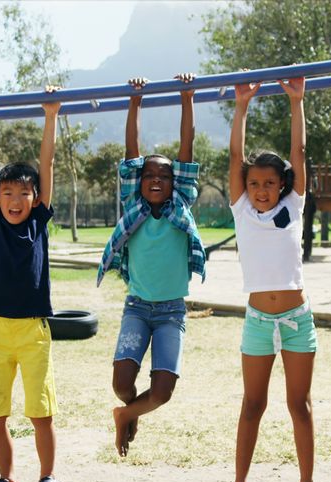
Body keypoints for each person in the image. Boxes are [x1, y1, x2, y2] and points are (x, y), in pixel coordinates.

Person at [98, 74, 204, 458]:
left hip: (172, 311)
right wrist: (134, 100)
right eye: (149, 175)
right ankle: (128, 409)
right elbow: (131, 151)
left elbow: (187, 149)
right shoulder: (133, 207)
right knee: (122, 383)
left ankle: (126, 415)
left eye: (164, 175)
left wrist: (187, 97)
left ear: (175, 184)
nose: (156, 179)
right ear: (138, 182)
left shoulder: (181, 207)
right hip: (138, 308)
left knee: (162, 392)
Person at [228, 76, 316, 482]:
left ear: (282, 185)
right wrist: (241, 107)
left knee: (298, 405)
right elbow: (234, 158)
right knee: (253, 404)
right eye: (255, 183)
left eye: (270, 183)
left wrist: (295, 102)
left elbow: (298, 154)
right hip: (259, 320)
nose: (262, 190)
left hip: (298, 320)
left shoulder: (294, 206)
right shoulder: (242, 209)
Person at [0, 87, 65, 482]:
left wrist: (51, 115)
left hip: (32, 331)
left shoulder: (38, 221)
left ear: (35, 198)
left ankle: (48, 477)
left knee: (39, 411)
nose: (14, 200)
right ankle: (7, 480)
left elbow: (46, 164)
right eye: (7, 193)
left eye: (23, 193)